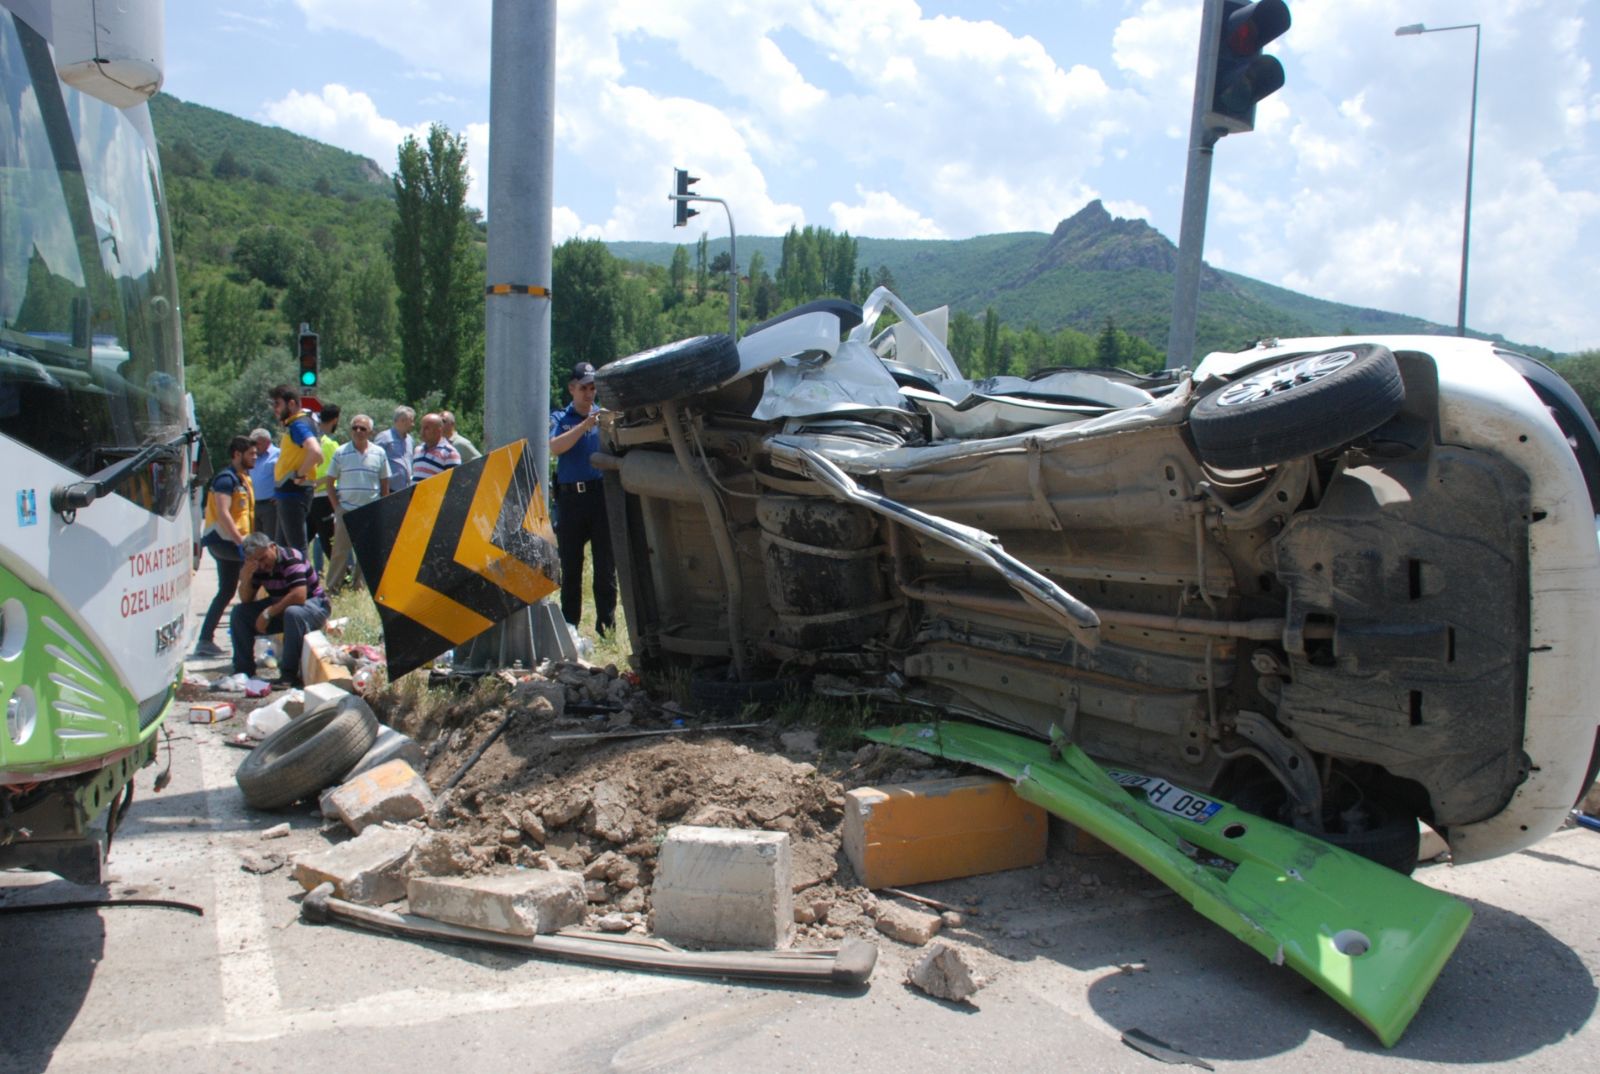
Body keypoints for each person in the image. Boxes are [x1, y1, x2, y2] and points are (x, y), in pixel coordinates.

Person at [548, 361, 615, 636]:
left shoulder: (604, 417)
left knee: (605, 567)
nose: (590, 394)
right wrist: (585, 425)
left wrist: (601, 422)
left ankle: (607, 626)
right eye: (584, 388)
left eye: (593, 387)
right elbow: (554, 447)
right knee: (571, 566)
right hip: (571, 499)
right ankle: (570, 627)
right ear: (572, 389)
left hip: (599, 497)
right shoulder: (560, 418)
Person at [231, 532, 330, 690]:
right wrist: (246, 577)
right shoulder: (257, 566)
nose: (262, 565)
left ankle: (289, 675)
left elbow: (299, 595)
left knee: (293, 612)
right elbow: (246, 599)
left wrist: (267, 613)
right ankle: (244, 671)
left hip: (314, 606)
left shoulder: (291, 557)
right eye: (257, 561)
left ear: (272, 547)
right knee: (239, 613)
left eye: (263, 558)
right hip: (283, 605)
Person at [192, 435, 257, 658]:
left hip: (233, 542)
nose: (254, 457)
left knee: (228, 591)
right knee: (254, 583)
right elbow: (223, 513)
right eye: (250, 453)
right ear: (237, 454)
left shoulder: (241, 478)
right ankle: (247, 639)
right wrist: (242, 544)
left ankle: (205, 639)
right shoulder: (225, 480)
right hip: (226, 543)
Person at [326, 413, 391, 591]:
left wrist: (382, 506)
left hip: (370, 510)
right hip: (346, 509)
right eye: (355, 428)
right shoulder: (340, 452)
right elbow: (329, 482)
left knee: (367, 552)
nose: (358, 431)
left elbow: (385, 481)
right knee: (339, 552)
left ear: (370, 431)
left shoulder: (379, 453)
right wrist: (336, 508)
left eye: (363, 428)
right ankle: (333, 587)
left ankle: (360, 586)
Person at [269, 384, 322, 553]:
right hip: (289, 493)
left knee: (296, 550)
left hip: (293, 493)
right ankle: (288, 579)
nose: (274, 409)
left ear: (291, 404)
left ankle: (303, 579)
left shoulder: (298, 425)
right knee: (282, 551)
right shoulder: (300, 423)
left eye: (277, 404)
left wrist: (300, 473)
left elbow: (316, 453)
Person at [308, 403, 342, 573]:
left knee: (323, 541)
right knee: (328, 542)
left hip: (316, 497)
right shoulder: (330, 444)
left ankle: (344, 578)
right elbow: (337, 473)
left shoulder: (315, 441)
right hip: (323, 498)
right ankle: (343, 577)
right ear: (336, 419)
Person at [374, 406, 416, 493]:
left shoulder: (410, 440)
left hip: (406, 489)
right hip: (388, 490)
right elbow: (375, 461)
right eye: (411, 421)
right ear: (402, 420)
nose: (413, 424)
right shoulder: (384, 437)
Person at [248, 427, 278, 538]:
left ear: (267, 442)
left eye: (257, 443)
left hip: (270, 505)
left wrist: (279, 494)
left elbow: (286, 477)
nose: (255, 447)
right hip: (253, 505)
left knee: (270, 540)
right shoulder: (253, 457)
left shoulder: (278, 455)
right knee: (256, 541)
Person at [412, 412, 462, 480]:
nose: (422, 432)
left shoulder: (449, 453)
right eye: (422, 427)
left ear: (439, 430)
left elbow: (455, 482)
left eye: (427, 428)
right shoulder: (418, 450)